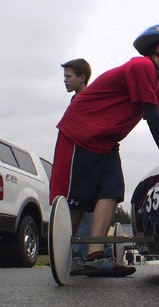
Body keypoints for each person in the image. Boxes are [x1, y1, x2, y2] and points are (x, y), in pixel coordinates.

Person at [50, 23, 159, 277]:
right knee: (78, 199)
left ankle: (94, 255)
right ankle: (63, 257)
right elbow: (152, 118)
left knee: (112, 191)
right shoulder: (142, 66)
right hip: (81, 132)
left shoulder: (155, 81)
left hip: (106, 141)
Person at [59, 58, 94, 275]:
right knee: (80, 208)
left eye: (68, 77)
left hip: (88, 160)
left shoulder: (90, 99)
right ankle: (77, 256)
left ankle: (85, 254)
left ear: (82, 77)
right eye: (64, 77)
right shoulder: (74, 102)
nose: (65, 81)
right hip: (78, 161)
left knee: (86, 209)